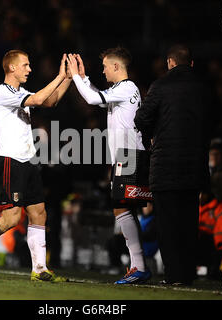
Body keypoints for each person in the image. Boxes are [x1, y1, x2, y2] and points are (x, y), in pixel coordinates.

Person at [0, 49, 72, 281]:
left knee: (39, 213)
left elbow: (50, 101)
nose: (29, 69)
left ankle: (39, 269)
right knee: (11, 219)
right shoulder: (1, 93)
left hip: (28, 161)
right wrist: (60, 75)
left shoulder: (20, 92)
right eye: (25, 65)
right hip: (11, 161)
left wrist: (69, 78)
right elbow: (40, 99)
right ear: (11, 68)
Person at [67, 47, 151, 284]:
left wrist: (74, 76)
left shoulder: (127, 88)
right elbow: (98, 97)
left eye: (105, 66)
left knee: (122, 209)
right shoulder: (120, 90)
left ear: (116, 66)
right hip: (125, 157)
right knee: (124, 209)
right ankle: (139, 265)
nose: (102, 71)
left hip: (131, 156)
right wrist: (84, 78)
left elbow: (93, 98)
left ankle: (140, 265)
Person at [134, 44, 213, 286]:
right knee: (189, 221)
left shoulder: (160, 86)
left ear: (170, 63)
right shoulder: (204, 88)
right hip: (194, 165)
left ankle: (173, 275)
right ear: (191, 63)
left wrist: (153, 136)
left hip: (165, 166)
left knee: (167, 224)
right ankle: (188, 274)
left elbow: (141, 118)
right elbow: (214, 119)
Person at [197, 191, 222, 280]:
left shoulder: (218, 207)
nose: (200, 196)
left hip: (212, 242)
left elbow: (221, 226)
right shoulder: (194, 205)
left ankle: (213, 272)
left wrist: (219, 242)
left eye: (203, 193)